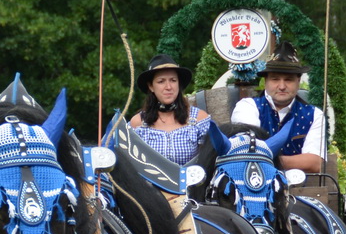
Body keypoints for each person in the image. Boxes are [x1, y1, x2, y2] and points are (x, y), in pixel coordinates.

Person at [228, 43, 328, 174]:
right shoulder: (247, 107)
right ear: (266, 81)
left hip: (300, 189)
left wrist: (266, 158)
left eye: (288, 80)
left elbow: (315, 163)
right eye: (275, 79)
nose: (281, 86)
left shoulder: (315, 114)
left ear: (298, 81)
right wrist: (293, 161)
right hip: (255, 186)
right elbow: (247, 151)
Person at [128, 55, 213, 165]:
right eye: (161, 81)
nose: (168, 87)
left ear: (179, 84)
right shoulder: (138, 123)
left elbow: (210, 158)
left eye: (173, 80)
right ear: (151, 86)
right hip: (147, 182)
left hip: (191, 181)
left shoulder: (198, 119)